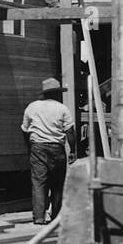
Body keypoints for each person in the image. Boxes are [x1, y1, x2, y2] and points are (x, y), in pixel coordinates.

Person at [21, 78, 76, 224]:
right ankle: (56, 216)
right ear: (57, 93)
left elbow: (25, 130)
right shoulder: (62, 108)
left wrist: (29, 147)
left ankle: (39, 217)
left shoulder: (32, 107)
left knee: (39, 183)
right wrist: (73, 150)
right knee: (58, 184)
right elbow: (70, 131)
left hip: (37, 147)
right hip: (56, 148)